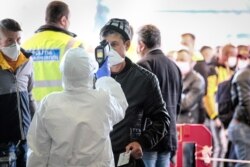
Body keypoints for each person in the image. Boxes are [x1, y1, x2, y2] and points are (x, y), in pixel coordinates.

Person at [27, 48, 128, 167]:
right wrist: (104, 79)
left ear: (63, 72)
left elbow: (38, 150)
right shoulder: (102, 100)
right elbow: (121, 106)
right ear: (91, 73)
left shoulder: (49, 103)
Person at [99, 18, 171, 167]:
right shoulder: (94, 77)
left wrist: (141, 141)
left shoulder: (145, 79)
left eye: (114, 44)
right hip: (96, 159)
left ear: (127, 45)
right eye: (105, 45)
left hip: (125, 159)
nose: (109, 50)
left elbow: (162, 120)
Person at [136, 24, 182, 167]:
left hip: (149, 138)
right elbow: (178, 104)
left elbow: (139, 105)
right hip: (169, 136)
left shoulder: (142, 65)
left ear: (141, 45)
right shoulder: (175, 67)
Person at [22, 1, 83, 104]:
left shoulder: (25, 45)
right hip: (63, 111)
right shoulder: (73, 45)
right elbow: (84, 83)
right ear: (63, 20)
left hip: (32, 113)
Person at [0, 18, 35, 167]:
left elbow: (29, 96)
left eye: (18, 39)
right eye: (9, 41)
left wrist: (36, 128)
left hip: (25, 140)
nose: (15, 44)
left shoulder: (27, 61)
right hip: (3, 142)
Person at [175, 49, 205, 167]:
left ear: (192, 63)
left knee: (185, 160)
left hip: (189, 125)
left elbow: (186, 103)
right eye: (178, 59)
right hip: (174, 125)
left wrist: (171, 96)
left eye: (183, 60)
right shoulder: (176, 76)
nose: (179, 62)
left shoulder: (198, 80)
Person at [228, 54, 250, 167]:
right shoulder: (244, 75)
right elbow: (246, 103)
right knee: (245, 164)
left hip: (243, 125)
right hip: (242, 127)